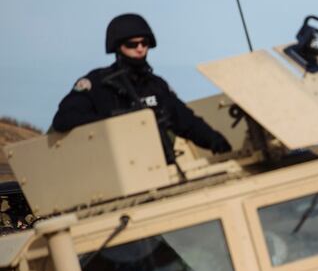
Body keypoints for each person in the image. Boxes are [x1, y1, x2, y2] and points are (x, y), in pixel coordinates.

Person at [52, 14, 230, 163]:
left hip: (161, 167)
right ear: (117, 46)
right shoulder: (98, 85)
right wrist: (114, 122)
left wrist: (217, 142)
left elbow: (186, 121)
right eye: (132, 44)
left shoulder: (156, 85)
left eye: (144, 43)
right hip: (115, 173)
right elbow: (63, 119)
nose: (140, 49)